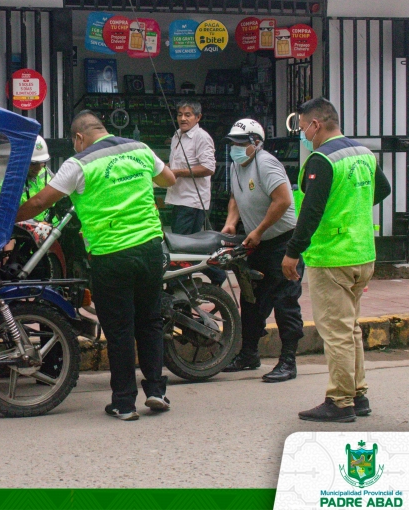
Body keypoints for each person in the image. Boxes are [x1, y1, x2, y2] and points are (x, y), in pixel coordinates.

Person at [17, 112, 176, 421]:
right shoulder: (139, 148)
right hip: (150, 248)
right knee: (150, 320)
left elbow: (39, 203)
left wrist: (4, 220)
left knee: (119, 329)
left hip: (110, 254)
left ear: (79, 138)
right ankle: (156, 390)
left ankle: (125, 403)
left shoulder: (78, 164)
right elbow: (168, 179)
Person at [282, 98, 391, 422]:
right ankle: (358, 394)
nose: (303, 135)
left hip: (332, 257)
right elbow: (381, 190)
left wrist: (292, 252)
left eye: (303, 128)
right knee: (351, 328)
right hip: (362, 253)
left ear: (316, 124)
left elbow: (311, 212)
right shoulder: (363, 154)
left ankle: (340, 401)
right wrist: (351, 207)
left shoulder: (322, 159)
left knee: (337, 332)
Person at [220, 119, 305, 382]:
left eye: (241, 143)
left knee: (285, 301)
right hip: (257, 244)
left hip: (282, 241)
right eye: (233, 142)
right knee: (252, 301)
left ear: (256, 144)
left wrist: (258, 231)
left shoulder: (266, 163)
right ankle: (248, 354)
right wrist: (231, 223)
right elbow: (236, 197)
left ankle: (288, 361)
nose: (235, 147)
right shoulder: (237, 165)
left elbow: (283, 200)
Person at [165, 101, 225, 286]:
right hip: (177, 198)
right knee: (185, 249)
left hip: (192, 202)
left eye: (188, 115)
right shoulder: (177, 136)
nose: (183, 118)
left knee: (181, 252)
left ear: (198, 117)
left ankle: (181, 288)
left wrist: (177, 172)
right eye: (180, 114)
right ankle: (214, 274)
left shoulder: (201, 137)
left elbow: (208, 168)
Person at [22, 136, 55, 223]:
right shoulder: (10, 185)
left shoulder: (45, 171)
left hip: (55, 227)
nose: (38, 168)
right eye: (33, 163)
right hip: (29, 233)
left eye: (41, 162)